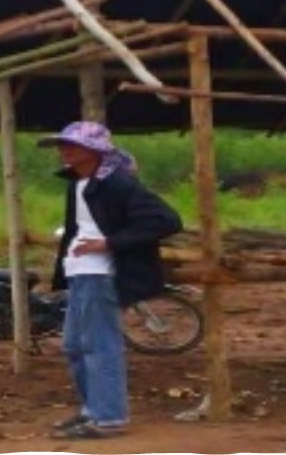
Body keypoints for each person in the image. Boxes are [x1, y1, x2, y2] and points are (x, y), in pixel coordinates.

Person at [38, 121, 182, 440]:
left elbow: (167, 220)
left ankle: (108, 417)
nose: (63, 150)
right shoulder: (79, 183)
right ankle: (93, 409)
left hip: (100, 272)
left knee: (99, 345)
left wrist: (110, 243)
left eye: (72, 145)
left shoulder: (117, 183)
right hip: (80, 271)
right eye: (62, 145)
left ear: (94, 151)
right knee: (75, 345)